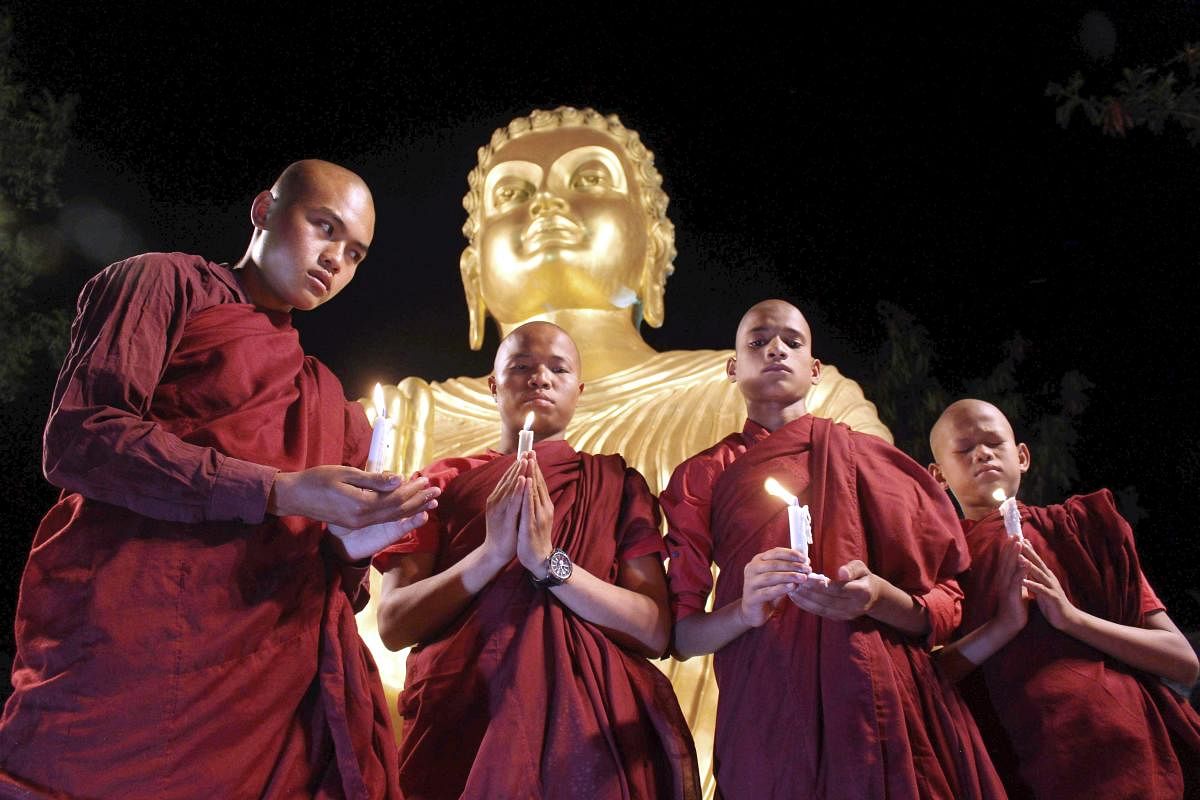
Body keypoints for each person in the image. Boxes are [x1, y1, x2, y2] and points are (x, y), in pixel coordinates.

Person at [354, 109, 893, 792]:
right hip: (458, 740)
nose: (549, 204)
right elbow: (364, 623)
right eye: (515, 194)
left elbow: (885, 559)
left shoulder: (780, 397)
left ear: (653, 245)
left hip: (663, 743)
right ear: (472, 269)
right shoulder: (400, 417)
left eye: (588, 179)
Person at [0, 160, 439, 800]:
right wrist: (275, 488)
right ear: (264, 209)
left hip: (264, 691)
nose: (335, 260)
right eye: (324, 227)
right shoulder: (163, 284)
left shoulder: (326, 400)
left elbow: (328, 582)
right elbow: (82, 437)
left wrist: (355, 547)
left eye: (355, 254)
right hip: (133, 643)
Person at [661, 299, 1005, 799]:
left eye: (792, 342)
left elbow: (948, 603)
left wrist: (880, 597)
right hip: (768, 707)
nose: (776, 349)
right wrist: (745, 610)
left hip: (880, 703)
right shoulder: (704, 473)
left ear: (816, 369)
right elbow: (684, 636)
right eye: (758, 342)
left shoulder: (871, 459)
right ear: (732, 368)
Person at [373, 321, 700, 800]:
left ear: (579, 389)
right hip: (468, 713)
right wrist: (490, 556)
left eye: (558, 369)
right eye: (521, 367)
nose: (540, 378)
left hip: (593, 724)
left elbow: (653, 630)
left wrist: (550, 564)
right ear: (493, 384)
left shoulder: (612, 483)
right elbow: (394, 624)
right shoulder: (440, 483)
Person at [928, 398, 1200, 799]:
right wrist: (1003, 626)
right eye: (964, 449)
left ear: (1022, 456)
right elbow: (927, 679)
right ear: (938, 477)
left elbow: (1183, 662)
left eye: (993, 443)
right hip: (1021, 763)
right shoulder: (943, 562)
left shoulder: (1082, 532)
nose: (982, 453)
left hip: (1130, 750)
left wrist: (1072, 618)